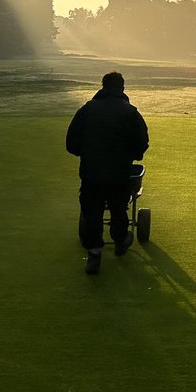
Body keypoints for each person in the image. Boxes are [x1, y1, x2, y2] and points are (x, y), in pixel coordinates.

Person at [65, 71, 149, 274]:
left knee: (91, 211)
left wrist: (85, 153)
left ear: (102, 86)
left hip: (91, 172)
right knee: (119, 208)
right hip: (119, 172)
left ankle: (94, 252)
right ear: (122, 88)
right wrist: (133, 155)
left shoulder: (87, 110)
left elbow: (71, 143)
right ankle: (120, 240)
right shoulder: (130, 112)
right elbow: (141, 144)